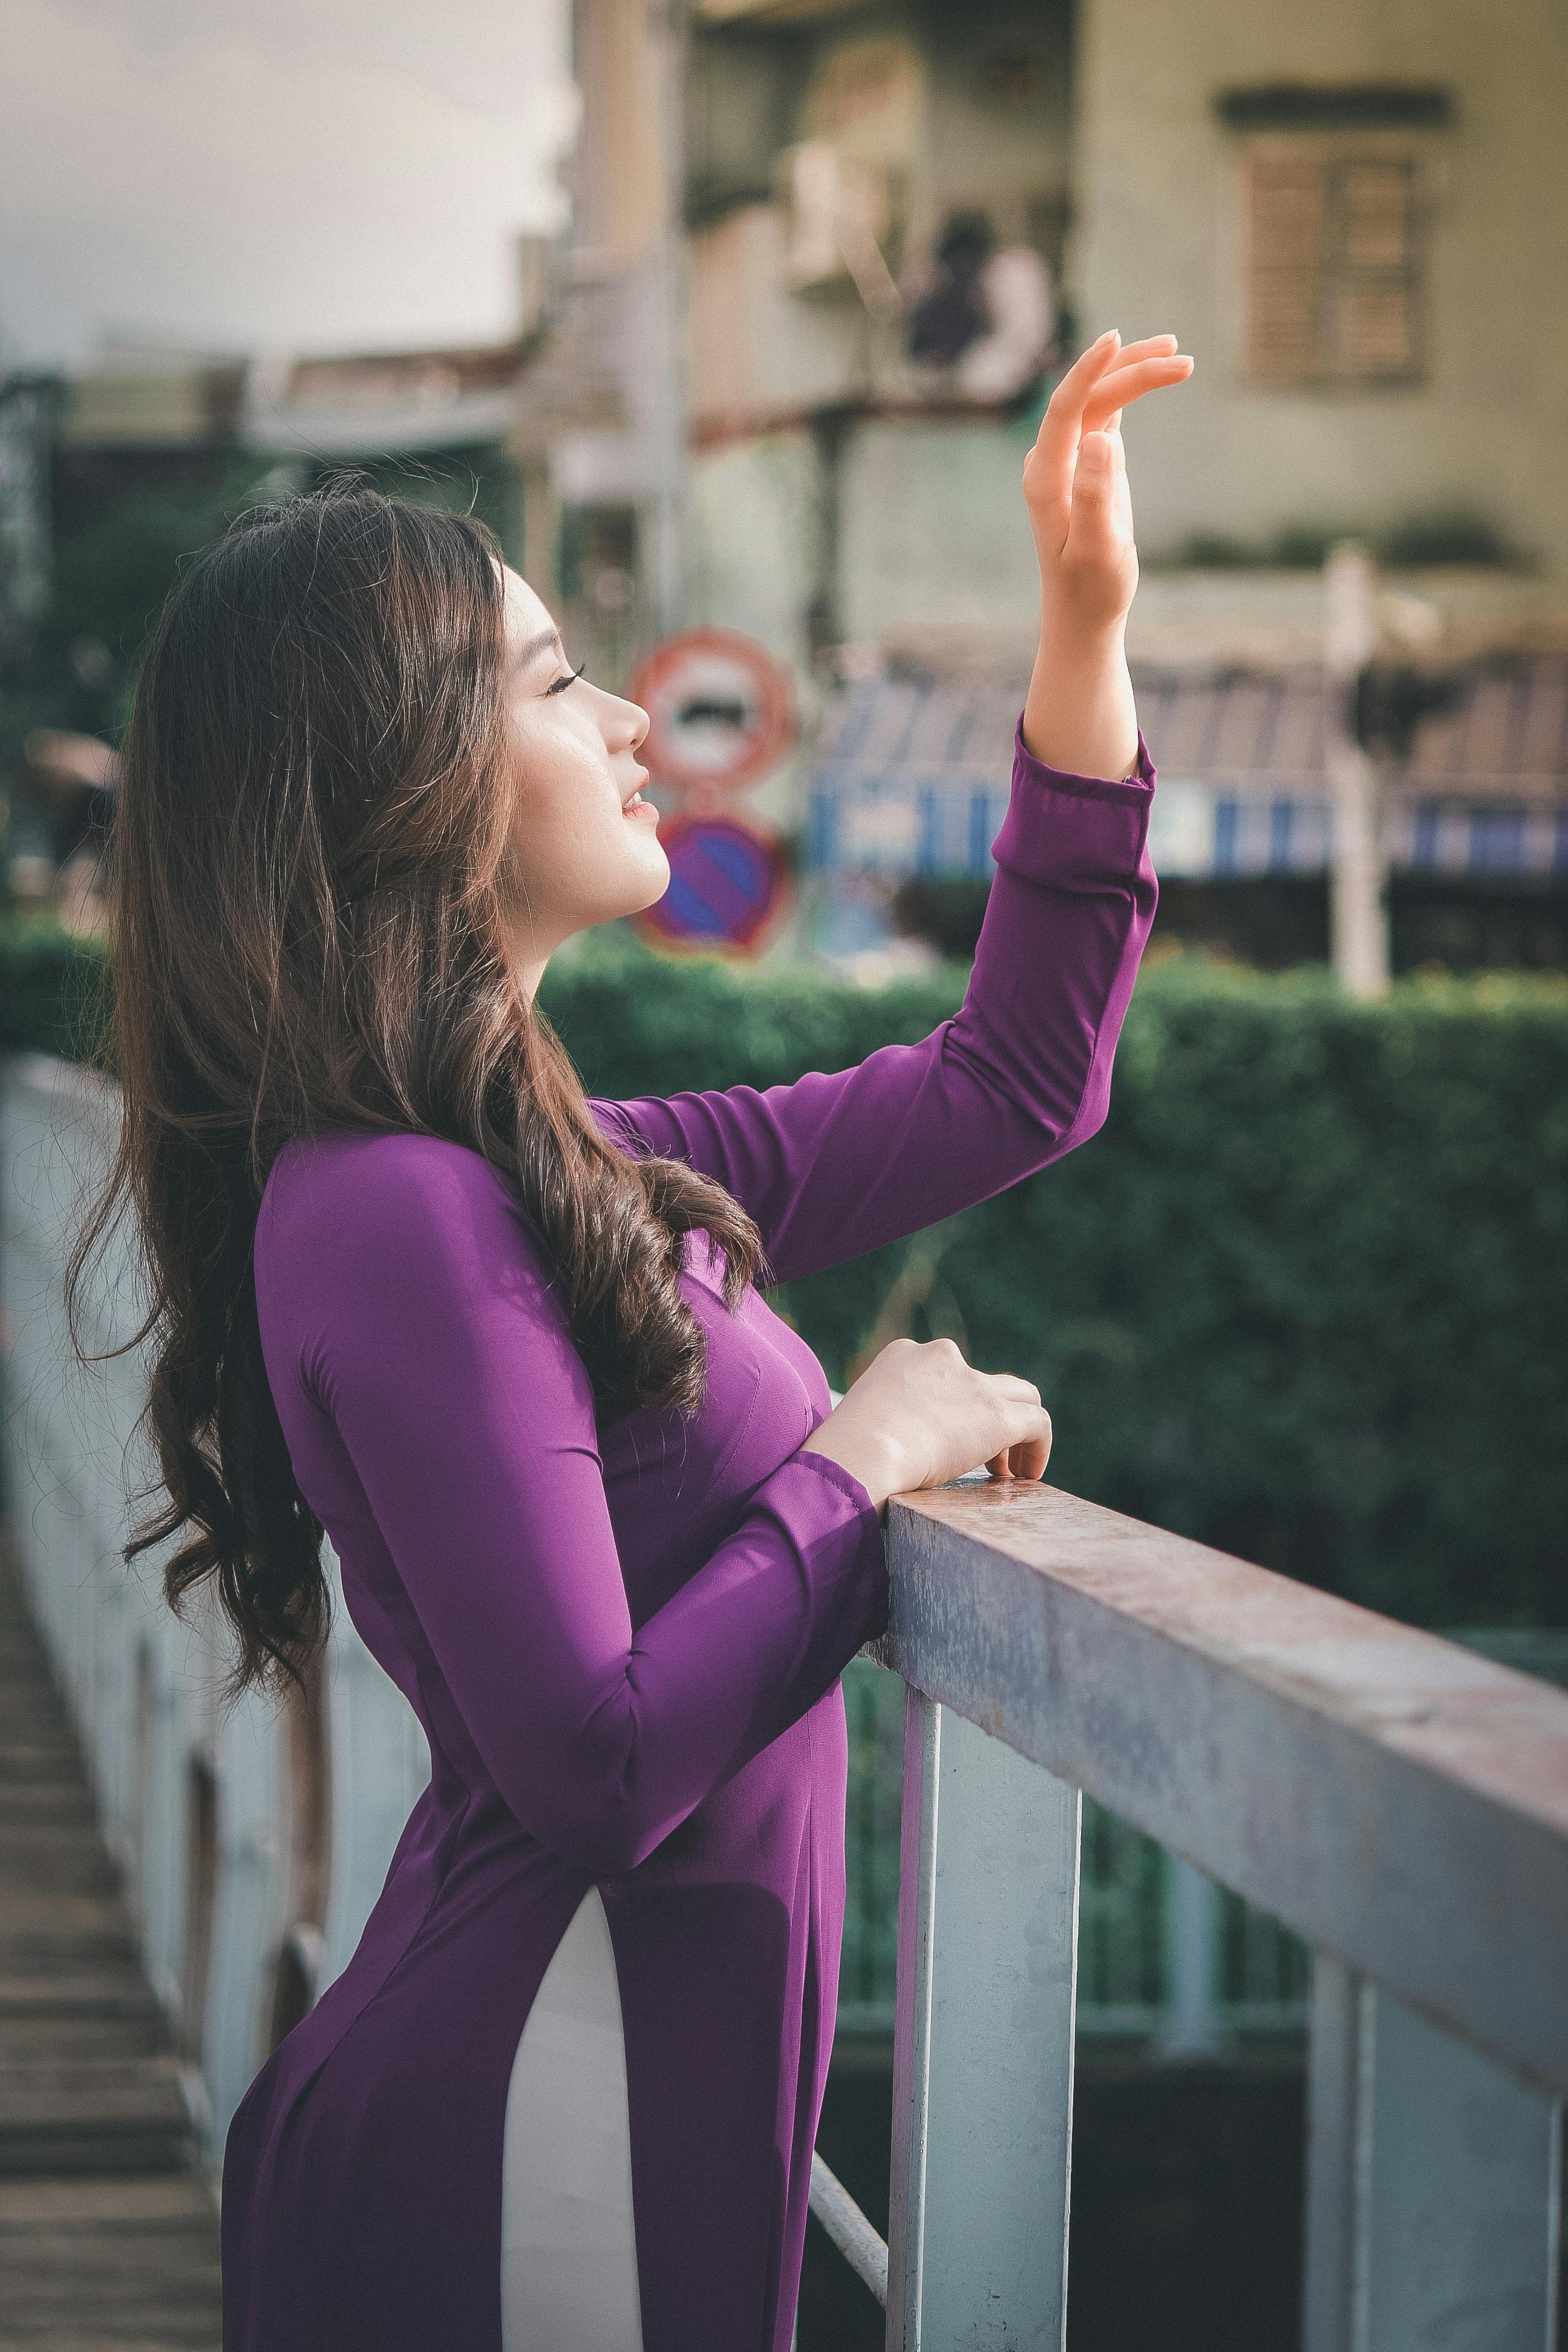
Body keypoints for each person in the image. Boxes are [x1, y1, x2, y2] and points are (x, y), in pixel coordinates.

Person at [70, 328, 1192, 2350]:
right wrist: (863, 1461)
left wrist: (1084, 623)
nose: (630, 722)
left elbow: (1019, 1078)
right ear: (403, 775)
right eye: (553, 678)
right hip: (530, 2126)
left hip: (598, 2106)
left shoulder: (545, 1174)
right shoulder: (403, 1209)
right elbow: (596, 1766)